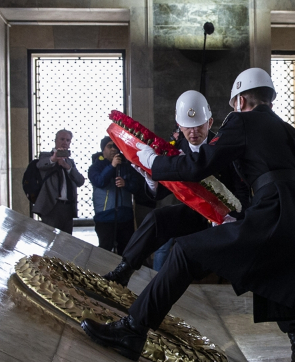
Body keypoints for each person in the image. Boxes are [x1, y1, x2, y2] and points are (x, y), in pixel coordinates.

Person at [82, 69, 295, 362]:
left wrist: (155, 163)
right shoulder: (291, 131)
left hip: (273, 216)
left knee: (187, 253)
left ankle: (133, 330)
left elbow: (200, 164)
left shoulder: (241, 122)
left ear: (239, 100)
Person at [102, 90, 249, 286]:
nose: (193, 132)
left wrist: (236, 216)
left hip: (226, 218)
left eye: (198, 126)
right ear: (179, 125)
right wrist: (152, 181)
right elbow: (160, 193)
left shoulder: (222, 145)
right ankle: (125, 269)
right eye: (187, 127)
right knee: (157, 218)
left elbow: (242, 186)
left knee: (185, 255)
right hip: (194, 214)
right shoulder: (176, 148)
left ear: (210, 123)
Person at [88, 137, 143, 255]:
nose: (113, 149)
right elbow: (100, 182)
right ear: (103, 150)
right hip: (105, 217)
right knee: (105, 250)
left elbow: (136, 186)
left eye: (116, 146)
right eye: (109, 146)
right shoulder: (95, 167)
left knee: (126, 250)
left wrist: (126, 184)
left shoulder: (126, 166)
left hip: (125, 217)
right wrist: (112, 166)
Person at [33, 129, 85, 234]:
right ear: (56, 140)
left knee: (67, 241)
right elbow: (40, 165)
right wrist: (54, 158)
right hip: (51, 207)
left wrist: (68, 167)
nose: (65, 142)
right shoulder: (46, 156)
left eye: (68, 140)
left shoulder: (70, 162)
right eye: (62, 139)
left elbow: (80, 181)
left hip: (68, 207)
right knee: (50, 238)